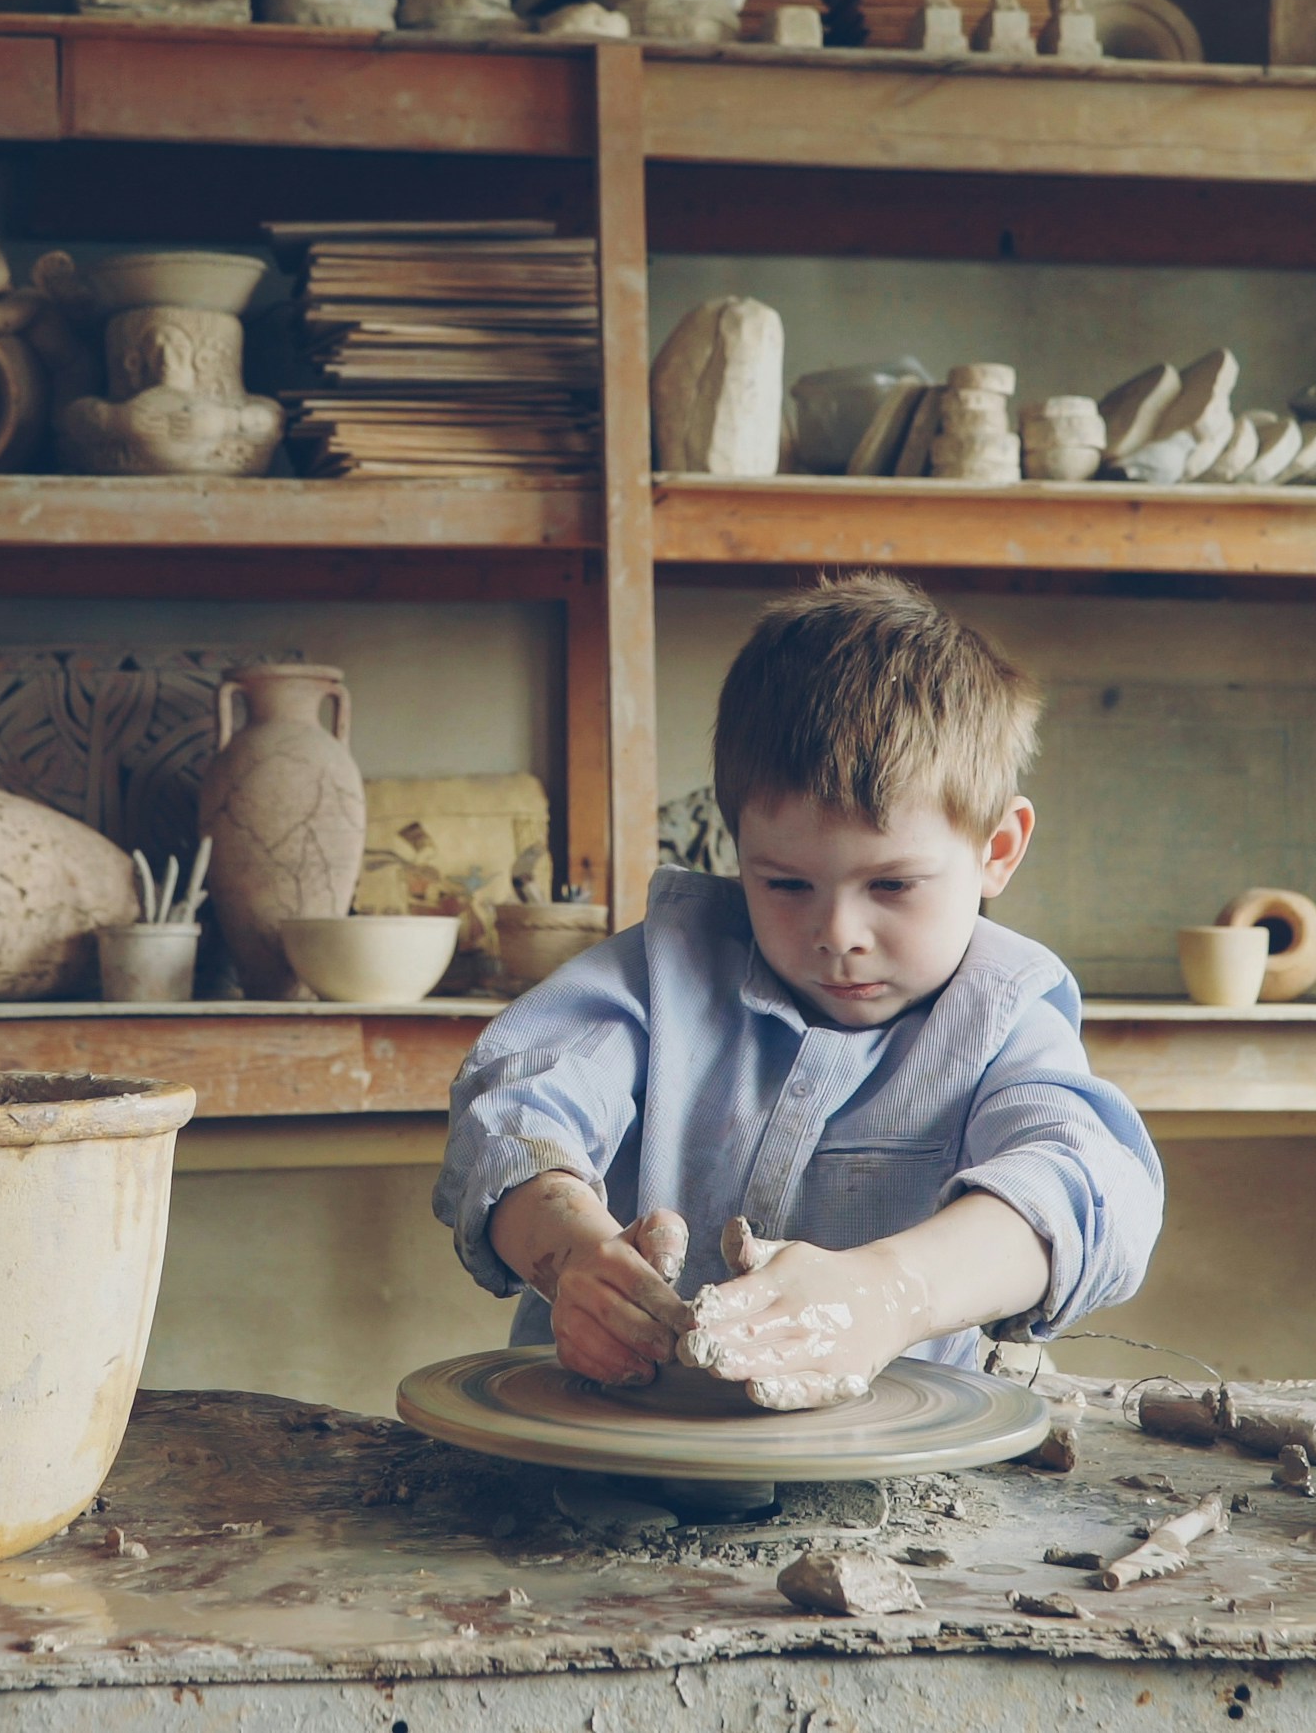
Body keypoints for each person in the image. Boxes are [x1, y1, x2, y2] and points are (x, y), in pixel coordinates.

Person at [433, 576, 1160, 1408]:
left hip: (899, 1473)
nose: (837, 932)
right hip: (613, 1442)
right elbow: (512, 1109)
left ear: (998, 848)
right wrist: (570, 1255)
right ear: (736, 841)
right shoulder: (662, 976)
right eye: (784, 884)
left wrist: (894, 1289)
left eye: (892, 887)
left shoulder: (1003, 1014)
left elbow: (1093, 1185)